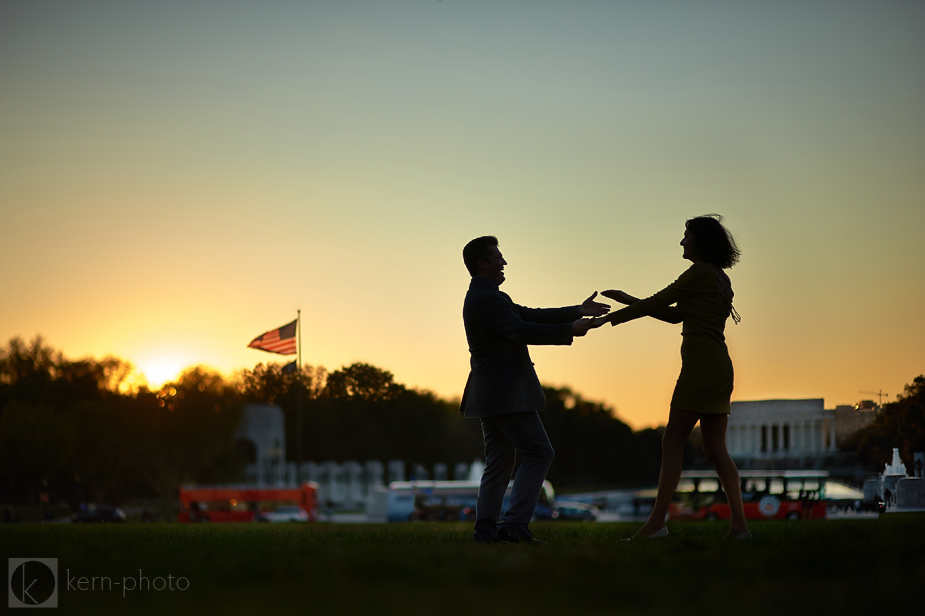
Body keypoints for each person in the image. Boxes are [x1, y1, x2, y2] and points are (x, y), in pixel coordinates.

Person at [591, 215, 750, 540]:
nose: (681, 242)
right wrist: (628, 300)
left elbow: (660, 300)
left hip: (701, 366)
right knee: (716, 450)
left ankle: (655, 524)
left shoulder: (700, 273)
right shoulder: (719, 278)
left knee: (672, 440)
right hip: (719, 367)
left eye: (686, 236)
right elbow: (675, 314)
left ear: (699, 241)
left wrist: (607, 320)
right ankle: (740, 528)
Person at [460, 235, 608, 544]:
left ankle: (486, 532)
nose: (504, 262)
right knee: (540, 452)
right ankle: (513, 526)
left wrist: (576, 310)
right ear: (482, 263)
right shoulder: (486, 299)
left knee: (499, 464)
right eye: (498, 257)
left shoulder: (488, 296)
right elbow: (521, 329)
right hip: (505, 393)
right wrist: (570, 330)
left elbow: (529, 314)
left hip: (490, 393)